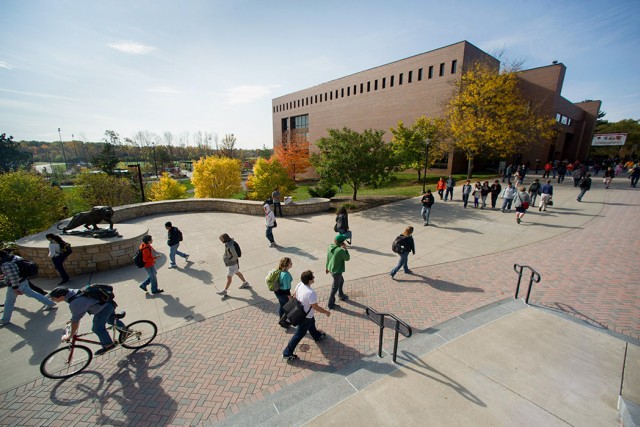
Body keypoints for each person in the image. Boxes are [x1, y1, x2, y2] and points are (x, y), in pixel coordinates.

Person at [48, 286, 125, 355]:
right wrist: (72, 319)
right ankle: (125, 331)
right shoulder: (71, 292)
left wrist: (70, 335)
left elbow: (76, 320)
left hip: (103, 309)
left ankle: (108, 345)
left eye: (53, 298)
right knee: (111, 320)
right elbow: (79, 311)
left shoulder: (75, 303)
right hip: (107, 303)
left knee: (97, 328)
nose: (52, 299)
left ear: (61, 297)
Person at [282, 270, 330, 361]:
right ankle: (287, 352)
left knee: (312, 323)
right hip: (305, 317)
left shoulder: (299, 284)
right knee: (299, 335)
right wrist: (326, 312)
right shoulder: (311, 293)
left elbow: (295, 296)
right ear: (309, 280)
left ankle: (317, 336)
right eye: (313, 277)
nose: (314, 278)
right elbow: (315, 307)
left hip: (305, 314)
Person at [1, 250, 57, 325]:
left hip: (16, 284)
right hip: (24, 280)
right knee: (32, 294)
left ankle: (5, 320)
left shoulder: (6, 264)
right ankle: (50, 303)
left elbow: (13, 277)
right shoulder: (14, 257)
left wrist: (15, 288)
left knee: (9, 302)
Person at [217, 233, 250, 298]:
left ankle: (225, 291)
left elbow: (235, 256)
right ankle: (245, 283)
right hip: (233, 263)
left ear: (225, 239)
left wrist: (229, 260)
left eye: (221, 239)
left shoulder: (231, 246)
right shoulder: (228, 243)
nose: (221, 241)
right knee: (237, 272)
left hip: (232, 263)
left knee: (229, 277)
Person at [325, 234, 350, 310]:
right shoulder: (340, 250)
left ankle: (341, 294)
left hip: (331, 269)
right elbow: (347, 258)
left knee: (341, 280)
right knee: (334, 288)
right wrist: (345, 249)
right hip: (337, 271)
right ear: (341, 243)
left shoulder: (330, 246)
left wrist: (326, 267)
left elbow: (328, 257)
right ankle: (330, 304)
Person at [275, 257, 294, 328]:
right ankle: (282, 321)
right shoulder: (285, 275)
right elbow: (286, 288)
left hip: (277, 292)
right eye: (290, 263)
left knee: (282, 306)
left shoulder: (280, 271)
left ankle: (282, 320)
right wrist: (290, 297)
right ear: (286, 265)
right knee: (289, 308)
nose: (292, 264)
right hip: (283, 294)